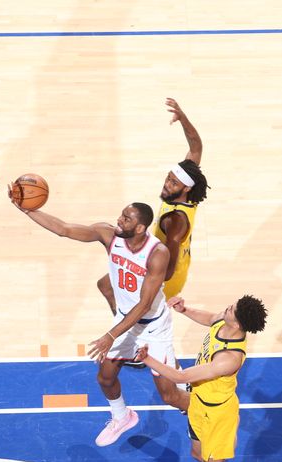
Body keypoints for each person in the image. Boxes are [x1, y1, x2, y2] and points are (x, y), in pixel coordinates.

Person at [13, 200, 187, 446]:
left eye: (126, 219)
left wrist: (111, 335)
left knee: (169, 395)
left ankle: (201, 410)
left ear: (140, 228)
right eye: (121, 215)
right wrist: (28, 210)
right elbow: (64, 228)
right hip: (126, 321)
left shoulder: (157, 254)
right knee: (105, 377)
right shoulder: (110, 236)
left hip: (153, 327)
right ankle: (122, 416)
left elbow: (144, 305)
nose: (119, 220)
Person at [134, 294, 273, 462]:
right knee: (198, 455)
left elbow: (181, 377)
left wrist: (148, 359)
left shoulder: (229, 358)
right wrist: (184, 310)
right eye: (233, 304)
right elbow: (210, 318)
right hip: (199, 405)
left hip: (218, 416)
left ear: (238, 324)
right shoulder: (225, 320)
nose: (228, 307)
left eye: (233, 309)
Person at [98, 98, 209, 370]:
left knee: (135, 302)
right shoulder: (186, 189)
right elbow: (196, 147)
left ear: (183, 189)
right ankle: (133, 334)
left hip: (167, 271)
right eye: (168, 177)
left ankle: (135, 342)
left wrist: (153, 276)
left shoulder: (174, 222)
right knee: (106, 284)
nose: (166, 182)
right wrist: (183, 118)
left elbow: (167, 268)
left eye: (172, 182)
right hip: (172, 260)